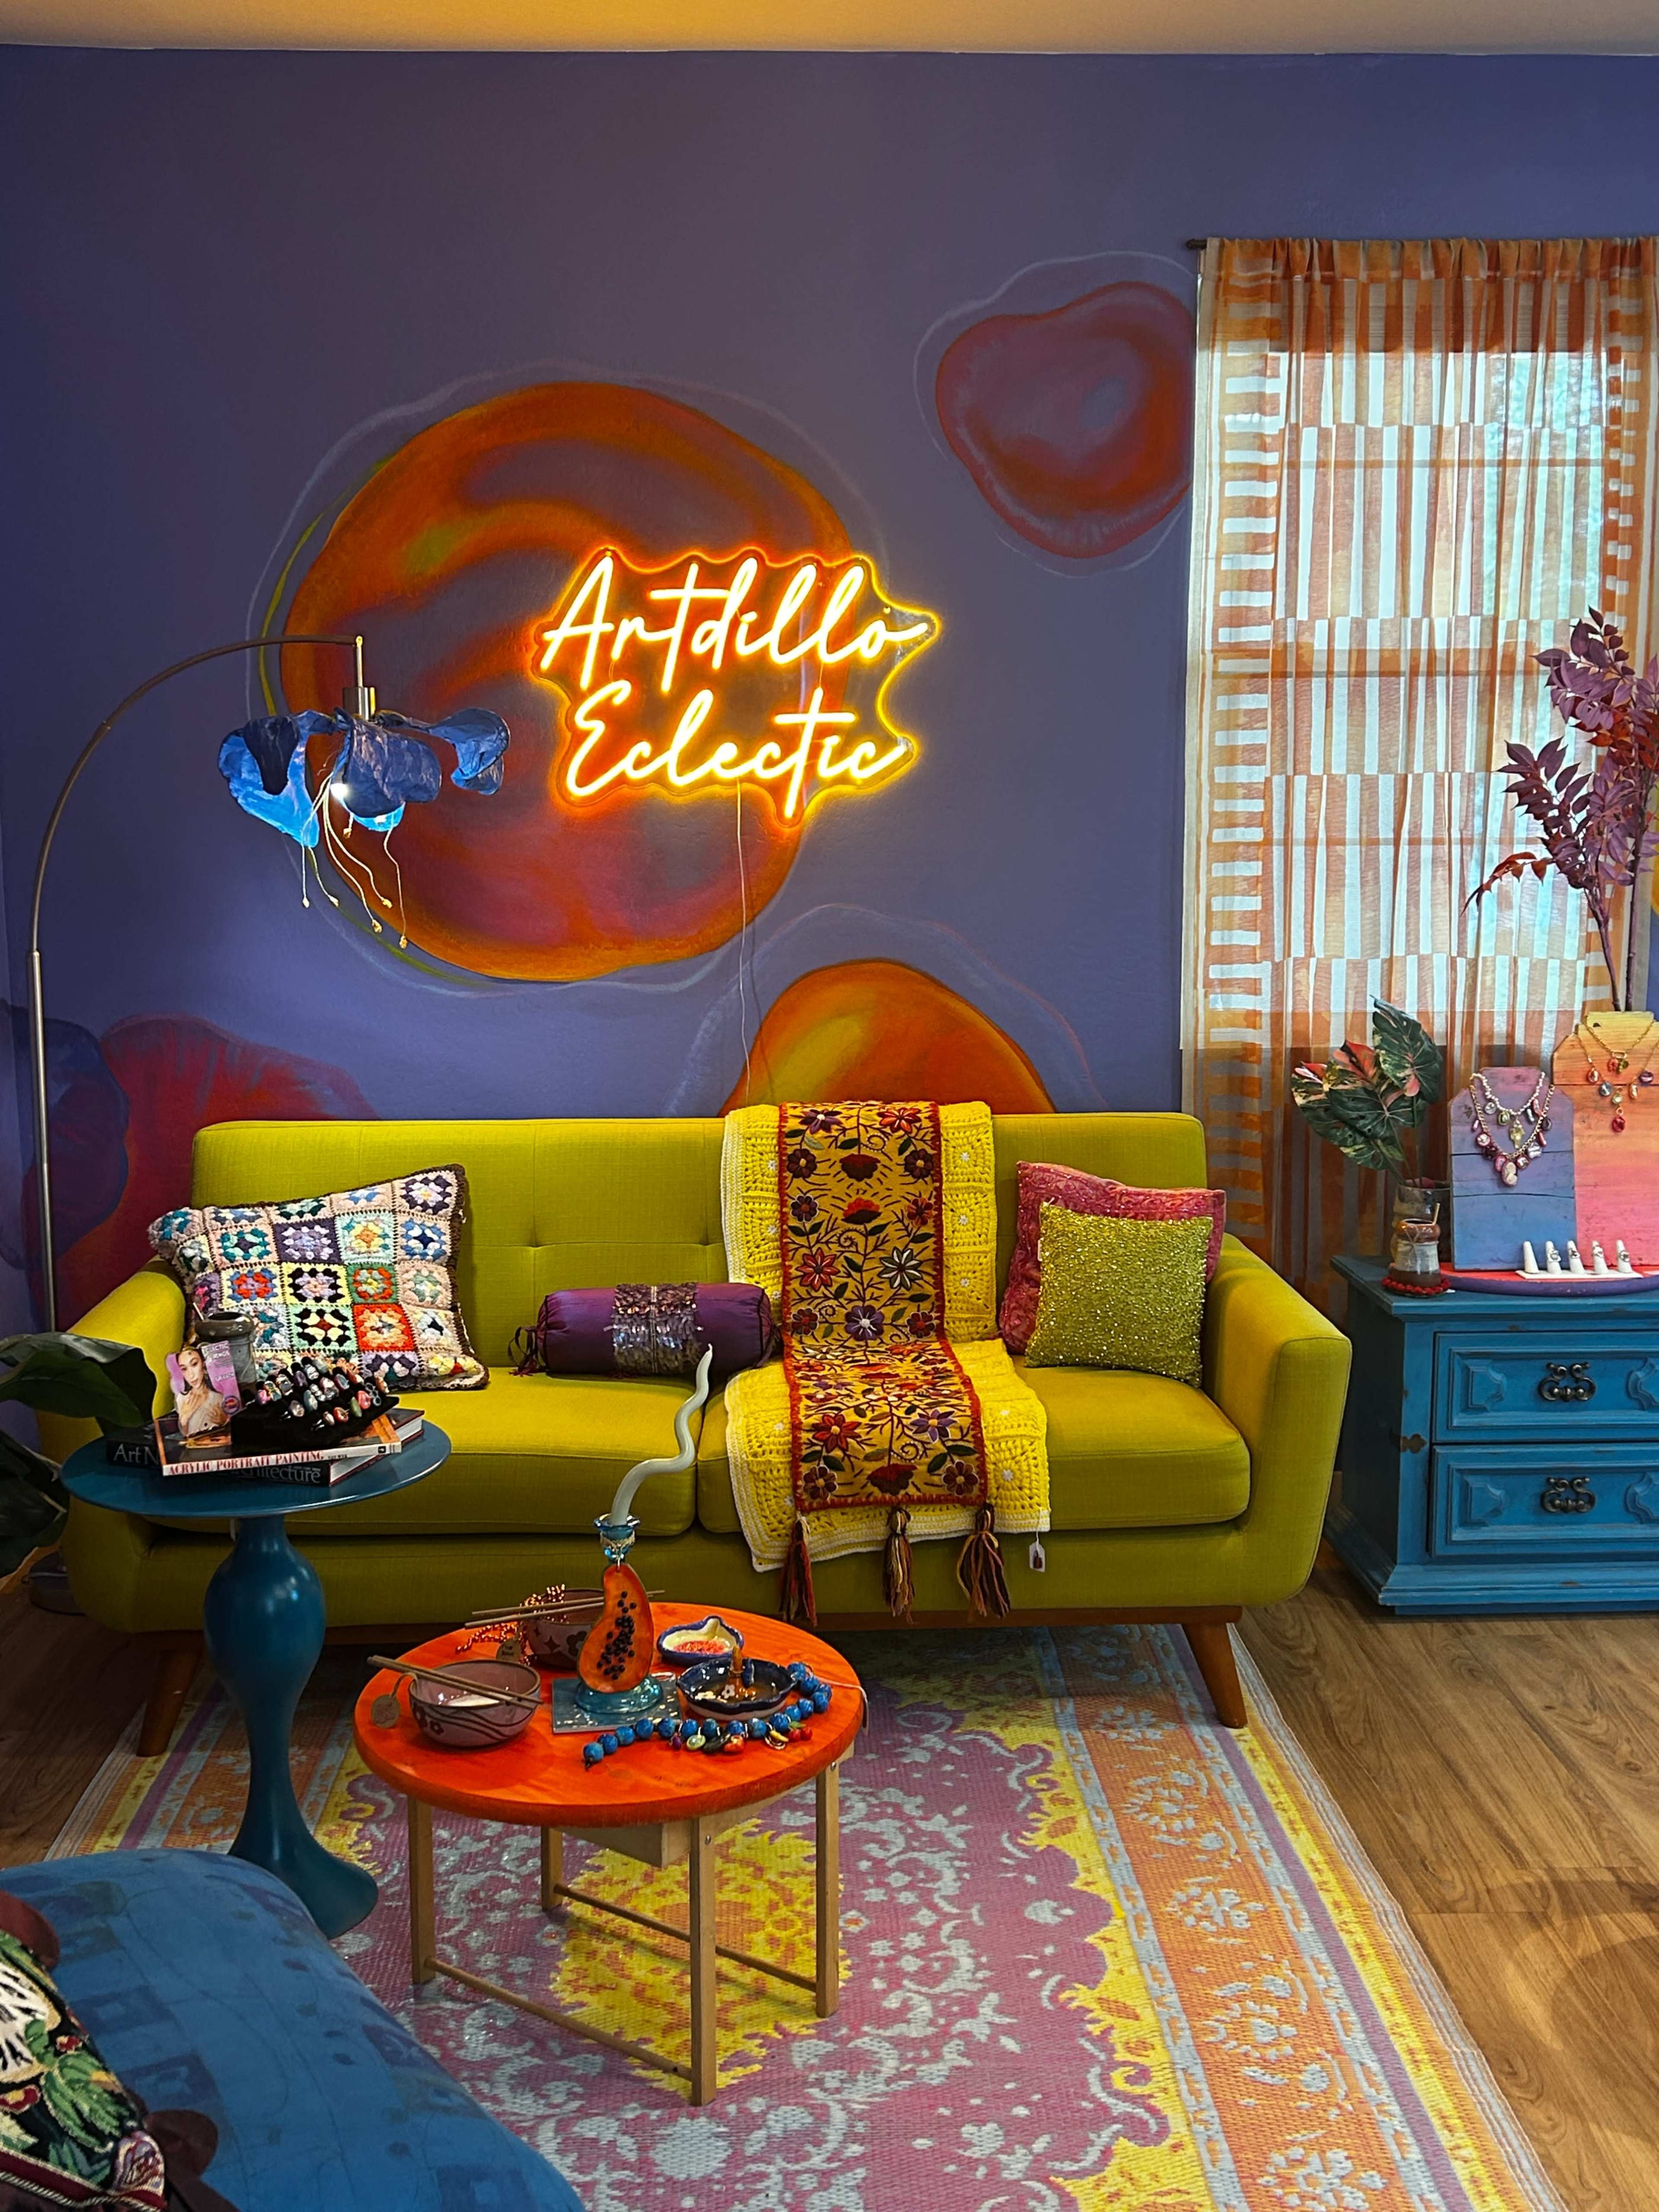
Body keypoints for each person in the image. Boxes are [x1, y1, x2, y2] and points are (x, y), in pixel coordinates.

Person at [172, 1341, 231, 1448]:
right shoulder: (182, 1399)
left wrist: (224, 1421)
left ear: (203, 1365)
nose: (191, 1375)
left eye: (195, 1364)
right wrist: (184, 1420)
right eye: (184, 1369)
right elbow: (185, 1435)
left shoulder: (219, 1397)